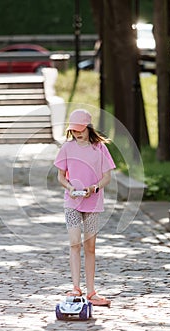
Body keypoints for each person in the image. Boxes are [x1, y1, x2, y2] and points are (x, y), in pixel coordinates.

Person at [54, 109, 116, 306]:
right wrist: (70, 187)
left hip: (93, 203)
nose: (77, 133)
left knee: (90, 247)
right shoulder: (66, 148)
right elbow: (61, 176)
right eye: (74, 130)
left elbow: (107, 177)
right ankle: (76, 287)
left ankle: (91, 291)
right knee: (74, 244)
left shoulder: (99, 149)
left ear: (89, 127)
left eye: (80, 129)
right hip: (72, 202)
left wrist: (94, 187)